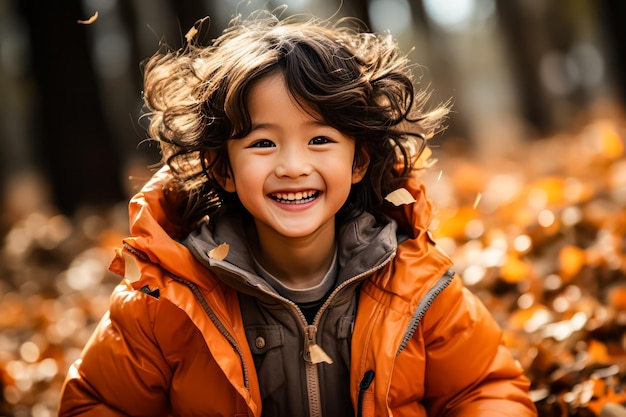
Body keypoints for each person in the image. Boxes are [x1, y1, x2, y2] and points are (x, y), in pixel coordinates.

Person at [59, 9, 537, 417]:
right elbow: (98, 403)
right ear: (222, 168)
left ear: (358, 161)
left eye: (320, 140)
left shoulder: (417, 285)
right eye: (263, 143)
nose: (292, 166)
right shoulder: (164, 302)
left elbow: (486, 390)